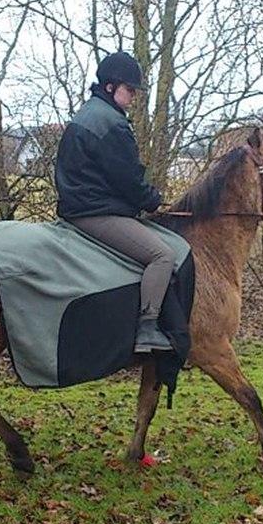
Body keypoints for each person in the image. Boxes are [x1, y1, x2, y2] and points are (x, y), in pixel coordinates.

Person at [55, 51, 175, 353]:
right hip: (95, 213)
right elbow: (128, 179)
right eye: (130, 89)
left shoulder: (88, 114)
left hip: (79, 206)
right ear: (111, 87)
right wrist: (152, 200)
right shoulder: (111, 123)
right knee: (162, 255)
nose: (134, 96)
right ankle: (147, 329)